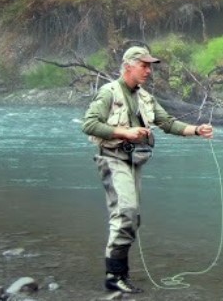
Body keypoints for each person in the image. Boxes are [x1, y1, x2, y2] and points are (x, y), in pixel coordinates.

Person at [81, 46, 214, 293]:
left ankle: (120, 273)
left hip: (133, 162)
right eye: (144, 65)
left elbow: (168, 123)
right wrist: (125, 132)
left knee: (132, 218)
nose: (149, 70)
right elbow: (89, 124)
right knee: (126, 213)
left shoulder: (145, 97)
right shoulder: (108, 92)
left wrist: (197, 130)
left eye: (150, 66)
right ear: (128, 66)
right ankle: (114, 277)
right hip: (112, 159)